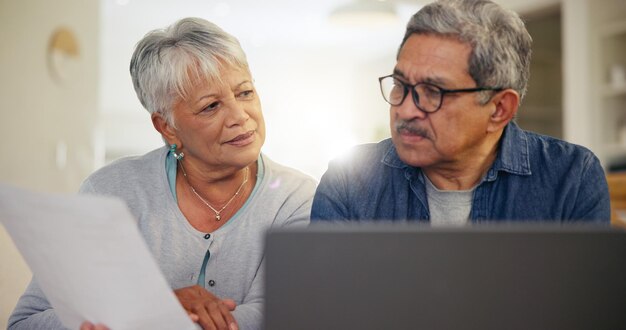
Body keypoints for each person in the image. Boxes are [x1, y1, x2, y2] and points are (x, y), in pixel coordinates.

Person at [9, 17, 317, 330]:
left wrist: (131, 317)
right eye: (211, 106)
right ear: (167, 126)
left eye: (245, 93)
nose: (240, 116)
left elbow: (281, 317)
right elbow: (27, 322)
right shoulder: (112, 190)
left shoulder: (297, 199)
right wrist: (162, 306)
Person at [311, 0, 610, 224]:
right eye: (400, 84)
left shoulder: (571, 178)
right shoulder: (349, 181)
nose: (405, 109)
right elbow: (324, 302)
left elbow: (583, 306)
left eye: (433, 92)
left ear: (499, 109)